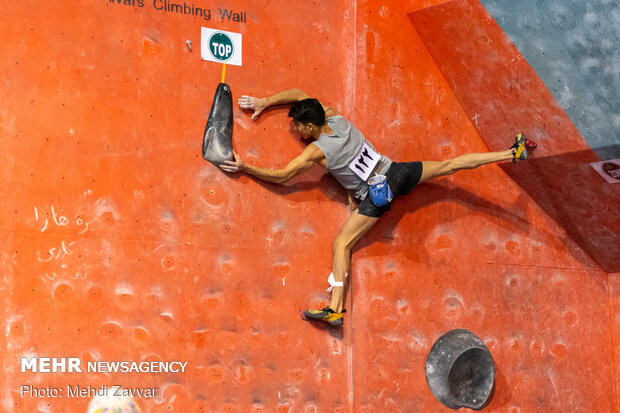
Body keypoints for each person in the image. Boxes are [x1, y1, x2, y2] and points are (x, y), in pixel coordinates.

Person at [220, 89, 527, 327]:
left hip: (377, 197)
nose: (297, 132)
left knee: (341, 244)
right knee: (449, 165)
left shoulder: (316, 151)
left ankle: (334, 310)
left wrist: (245, 166)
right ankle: (512, 152)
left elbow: (284, 176)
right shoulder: (335, 117)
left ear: (311, 126)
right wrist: (266, 101)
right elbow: (301, 94)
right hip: (396, 171)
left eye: (299, 127)